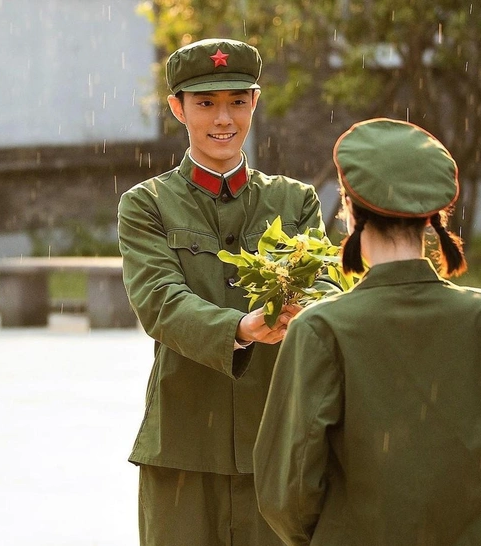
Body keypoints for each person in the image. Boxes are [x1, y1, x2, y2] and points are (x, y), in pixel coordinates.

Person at [253, 118, 481, 545]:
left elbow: (287, 493)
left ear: (350, 211)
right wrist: (455, 523)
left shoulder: (321, 328)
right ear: (431, 219)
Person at [118, 38, 330, 546]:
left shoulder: (295, 201)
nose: (223, 119)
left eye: (237, 101)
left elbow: (325, 284)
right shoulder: (147, 204)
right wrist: (239, 327)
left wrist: (303, 310)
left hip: (279, 441)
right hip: (183, 445)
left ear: (255, 102)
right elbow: (159, 301)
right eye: (205, 103)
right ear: (177, 108)